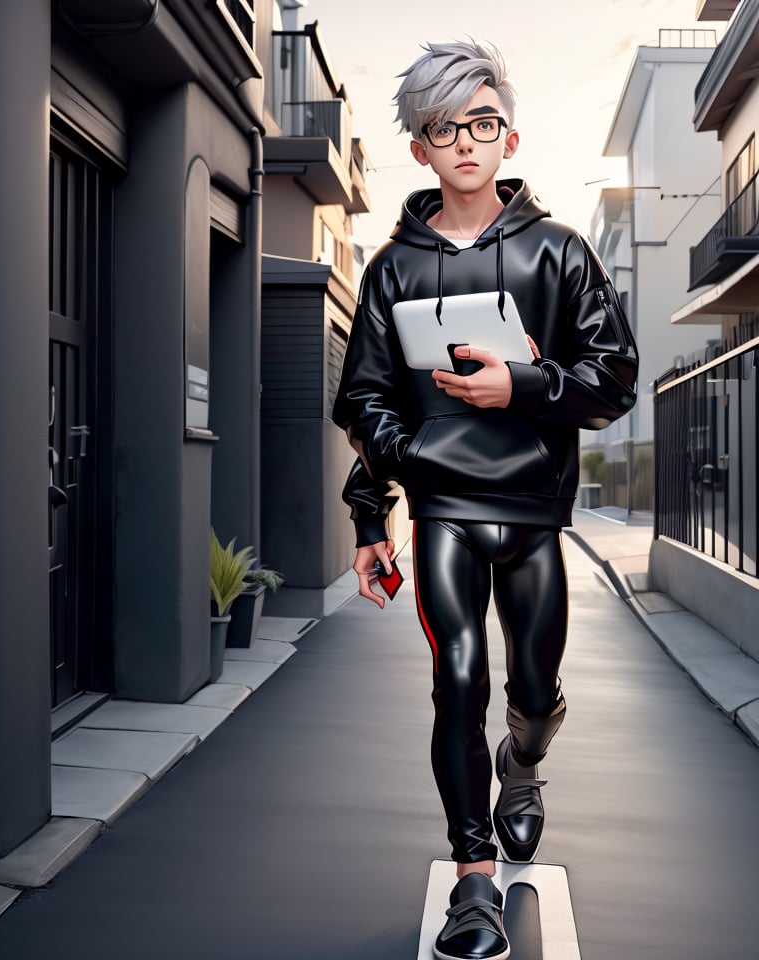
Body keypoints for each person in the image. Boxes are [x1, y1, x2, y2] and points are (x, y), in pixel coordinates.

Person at [331, 39, 638, 960]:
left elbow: (612, 377)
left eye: (480, 122)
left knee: (533, 688)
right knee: (455, 681)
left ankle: (527, 764)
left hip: (537, 513)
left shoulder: (561, 253)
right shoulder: (390, 269)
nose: (464, 141)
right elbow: (363, 399)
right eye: (441, 127)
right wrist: (378, 501)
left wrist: (527, 386)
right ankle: (475, 882)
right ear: (420, 147)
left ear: (509, 136)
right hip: (445, 515)